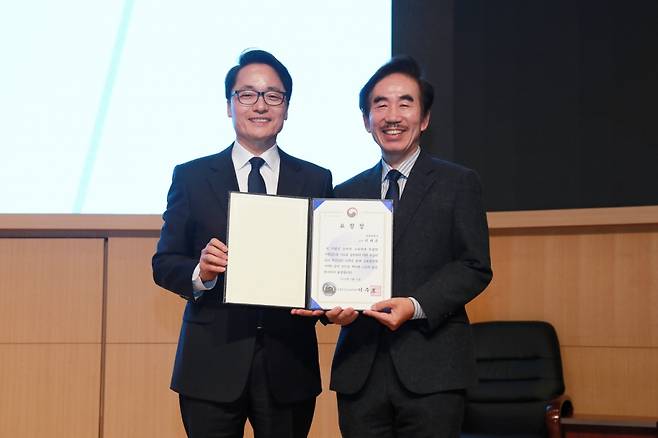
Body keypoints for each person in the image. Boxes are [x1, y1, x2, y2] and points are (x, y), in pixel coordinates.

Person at [152, 49, 333, 438]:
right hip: (210, 364)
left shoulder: (316, 179)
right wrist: (201, 272)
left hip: (289, 366)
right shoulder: (192, 176)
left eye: (273, 95)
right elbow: (165, 263)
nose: (260, 105)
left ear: (287, 107)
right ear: (229, 105)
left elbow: (325, 265)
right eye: (247, 94)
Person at [327, 56, 492, 437]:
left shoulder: (458, 183)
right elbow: (332, 272)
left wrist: (415, 306)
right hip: (360, 372)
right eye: (380, 104)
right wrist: (330, 308)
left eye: (405, 103)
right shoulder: (344, 194)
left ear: (425, 118)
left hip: (433, 371)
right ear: (367, 121)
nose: (392, 115)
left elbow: (474, 266)